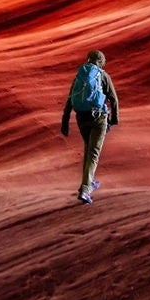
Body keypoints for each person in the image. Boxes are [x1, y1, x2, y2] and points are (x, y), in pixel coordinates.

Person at [60, 50, 120, 204]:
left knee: (88, 149)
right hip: (99, 118)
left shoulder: (80, 76)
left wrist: (65, 122)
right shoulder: (103, 75)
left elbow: (69, 100)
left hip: (81, 118)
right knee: (93, 153)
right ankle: (86, 189)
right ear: (101, 62)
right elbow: (113, 99)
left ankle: (89, 181)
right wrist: (114, 120)